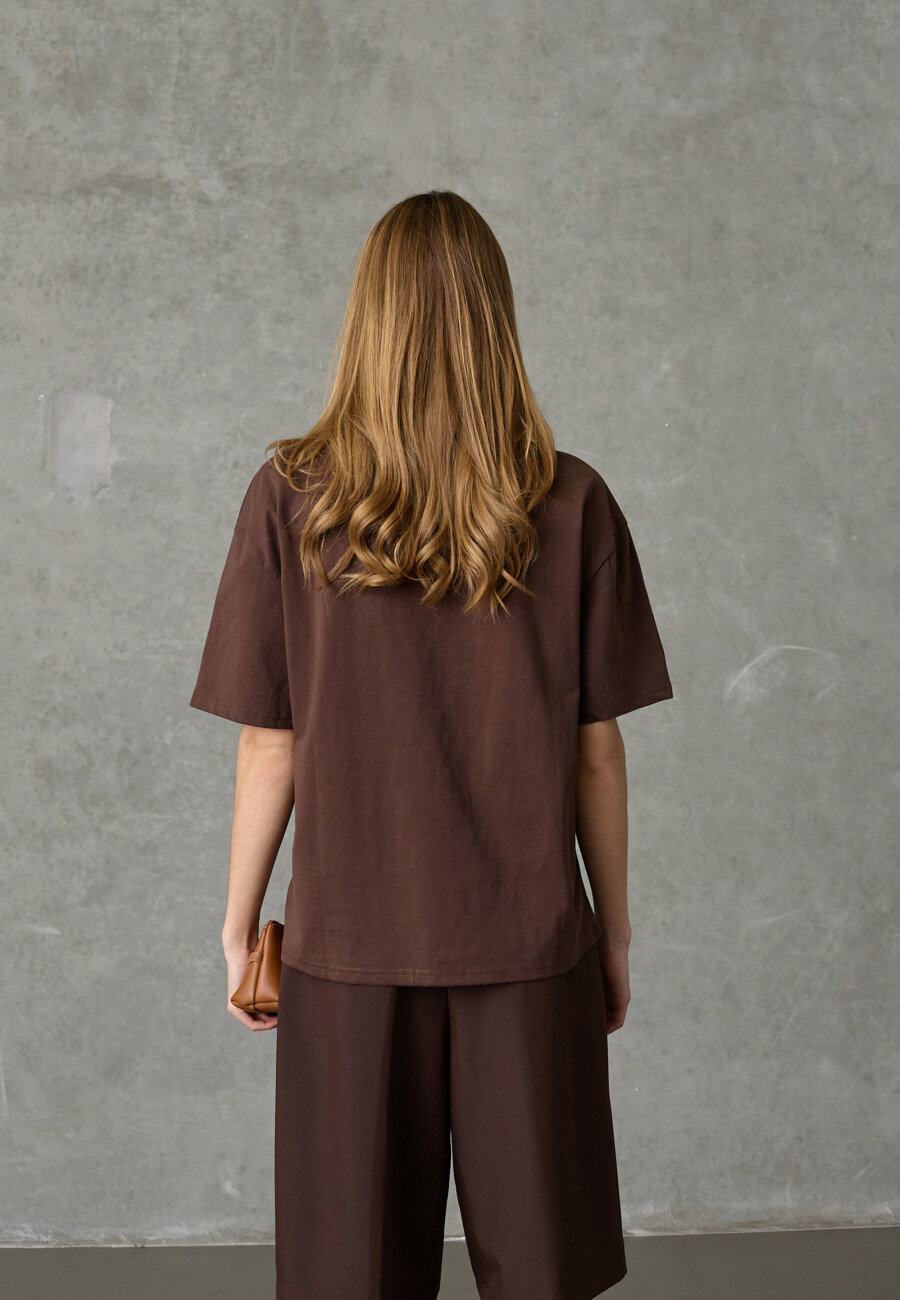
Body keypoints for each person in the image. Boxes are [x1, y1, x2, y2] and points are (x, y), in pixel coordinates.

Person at [189, 190, 674, 1300]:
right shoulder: (572, 500)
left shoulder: (289, 500)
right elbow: (596, 753)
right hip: (531, 946)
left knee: (351, 1276)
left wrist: (236, 926)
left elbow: (272, 744)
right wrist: (613, 935)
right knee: (542, 1274)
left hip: (346, 951)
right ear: (495, 319)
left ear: (369, 320)